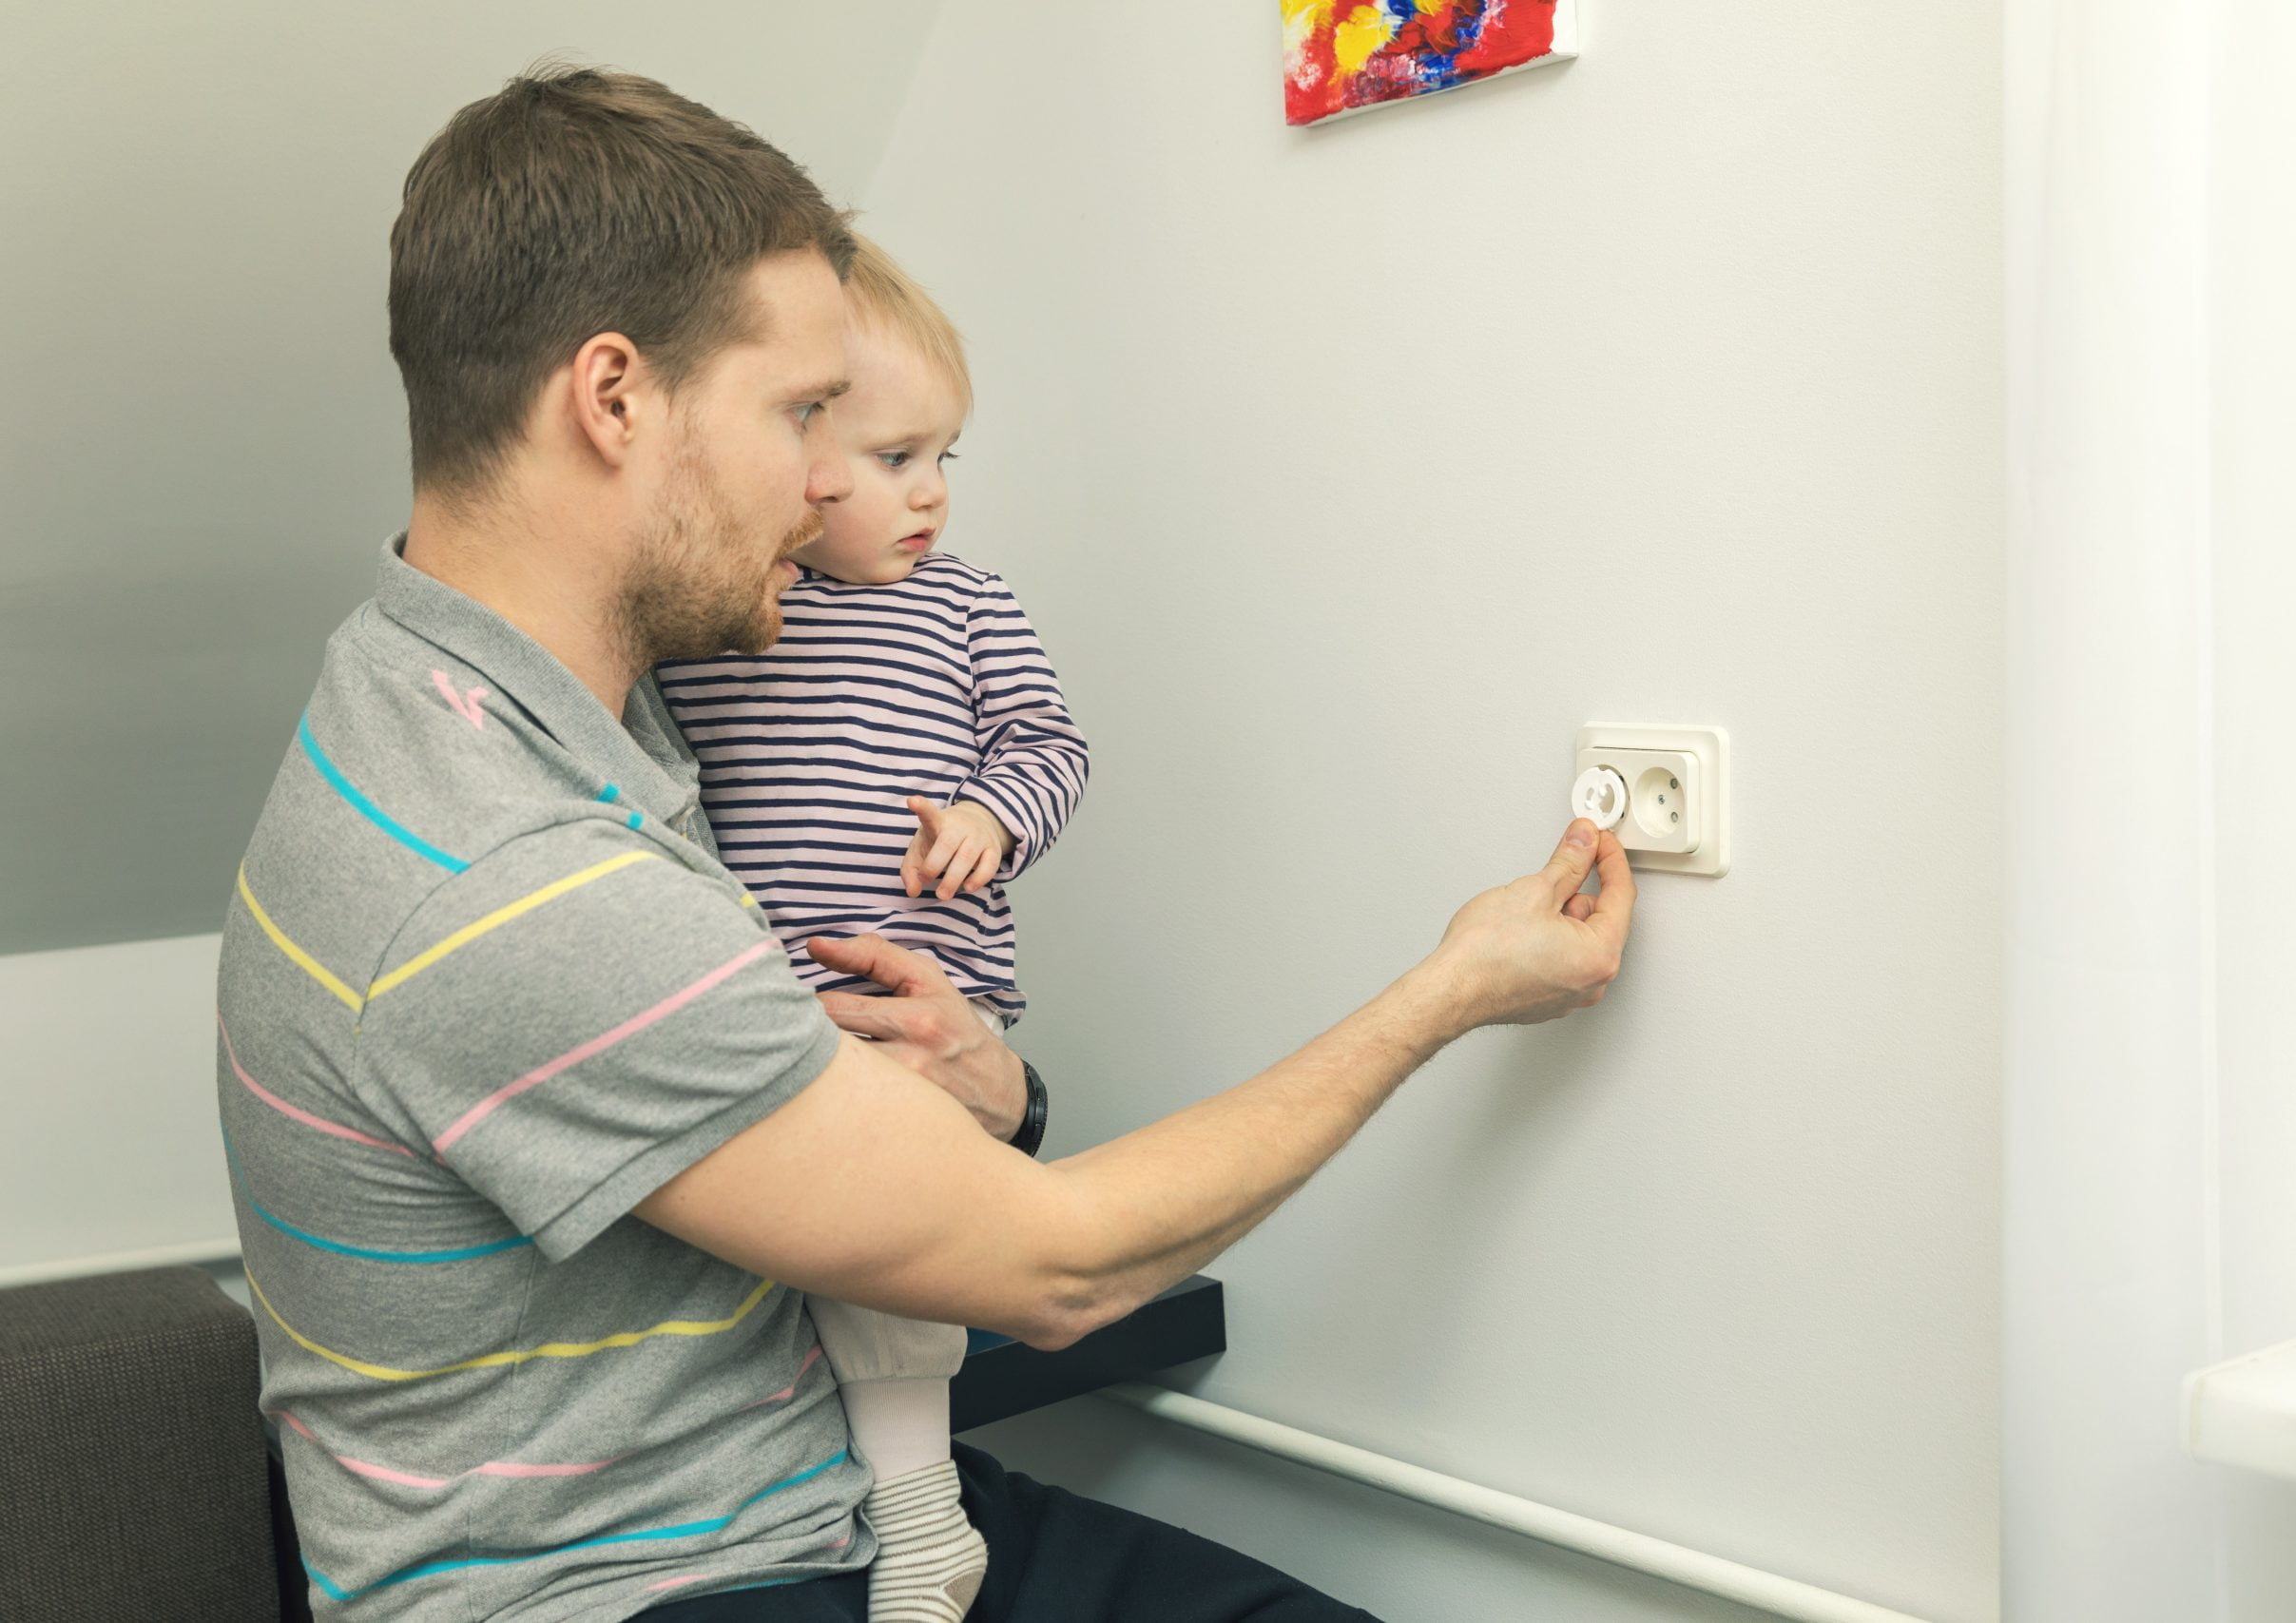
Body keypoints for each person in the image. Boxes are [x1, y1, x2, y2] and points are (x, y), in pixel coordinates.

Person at [216, 67, 1632, 1623]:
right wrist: (1456, 986)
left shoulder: (549, 699)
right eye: (802, 414)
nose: (832, 481)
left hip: (819, 1505)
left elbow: (807, 1131)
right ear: (612, 401)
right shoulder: (500, 868)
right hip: (623, 1593)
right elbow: (1059, 1271)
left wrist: (999, 1090)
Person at [655, 232, 1089, 1620]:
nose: (934, 498)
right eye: (898, 458)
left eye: (947, 458)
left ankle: (919, 1518)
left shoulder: (967, 608)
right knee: (782, 1265)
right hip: (776, 1011)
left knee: (888, 1263)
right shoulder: (723, 624)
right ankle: (860, 1502)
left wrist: (997, 814)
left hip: (926, 1004)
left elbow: (1052, 742)